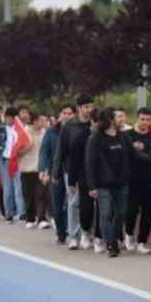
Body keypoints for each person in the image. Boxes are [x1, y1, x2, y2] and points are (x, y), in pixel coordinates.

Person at [85, 108, 130, 257]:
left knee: (121, 213)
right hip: (103, 183)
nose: (120, 119)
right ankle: (111, 244)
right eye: (117, 117)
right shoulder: (95, 138)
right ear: (110, 120)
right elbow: (90, 163)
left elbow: (133, 155)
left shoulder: (123, 137)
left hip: (122, 181)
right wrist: (92, 186)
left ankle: (112, 239)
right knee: (105, 214)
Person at [57, 98, 96, 251]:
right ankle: (73, 236)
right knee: (74, 202)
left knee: (89, 203)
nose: (89, 109)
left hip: (91, 171)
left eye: (91, 106)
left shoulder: (95, 124)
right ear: (79, 108)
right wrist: (56, 170)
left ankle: (87, 234)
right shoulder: (69, 126)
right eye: (86, 106)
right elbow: (62, 149)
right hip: (71, 169)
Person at [123, 108, 151, 251]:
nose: (145, 122)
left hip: (150, 180)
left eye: (148, 120)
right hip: (132, 180)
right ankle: (129, 234)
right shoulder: (127, 135)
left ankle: (142, 242)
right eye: (142, 119)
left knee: (148, 212)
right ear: (137, 119)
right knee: (131, 210)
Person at [40, 105, 72, 240]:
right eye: (65, 113)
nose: (67, 115)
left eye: (70, 113)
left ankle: (72, 231)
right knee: (58, 203)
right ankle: (61, 232)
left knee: (72, 203)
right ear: (60, 115)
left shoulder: (77, 130)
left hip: (72, 172)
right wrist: (43, 169)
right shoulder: (51, 131)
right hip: (56, 173)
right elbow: (44, 152)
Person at [17, 109, 46, 228]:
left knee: (42, 194)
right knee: (29, 195)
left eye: (44, 120)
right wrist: (27, 147)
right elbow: (17, 152)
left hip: (41, 168)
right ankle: (30, 218)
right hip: (27, 168)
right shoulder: (24, 133)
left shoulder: (45, 133)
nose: (43, 123)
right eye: (40, 120)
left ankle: (42, 218)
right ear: (34, 121)